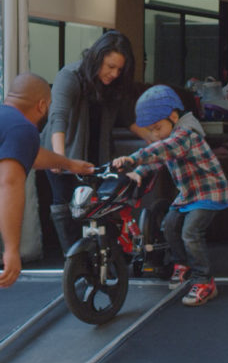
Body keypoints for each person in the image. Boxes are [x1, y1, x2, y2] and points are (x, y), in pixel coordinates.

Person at [112, 85, 228, 306]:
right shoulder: (171, 139)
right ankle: (183, 265)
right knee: (169, 225)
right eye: (151, 131)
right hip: (188, 193)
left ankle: (204, 280)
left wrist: (134, 158)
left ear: (174, 117)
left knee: (191, 232)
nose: (155, 135)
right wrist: (137, 172)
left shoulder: (185, 135)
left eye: (157, 128)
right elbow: (157, 159)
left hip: (208, 192)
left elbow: (158, 150)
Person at [41, 30, 151, 254]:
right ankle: (73, 260)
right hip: (62, 149)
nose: (114, 73)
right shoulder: (69, 75)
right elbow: (58, 117)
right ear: (96, 57)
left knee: (98, 205)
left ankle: (101, 260)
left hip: (96, 153)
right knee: (65, 205)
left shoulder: (115, 86)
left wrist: (158, 141)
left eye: (119, 69)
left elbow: (127, 119)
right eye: (110, 66)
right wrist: (61, 159)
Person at [0, 73, 94, 287]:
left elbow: (32, 154)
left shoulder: (6, 122)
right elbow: (10, 184)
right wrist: (12, 249)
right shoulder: (22, 128)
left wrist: (69, 164)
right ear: (42, 105)